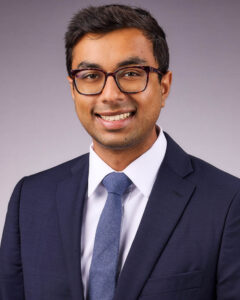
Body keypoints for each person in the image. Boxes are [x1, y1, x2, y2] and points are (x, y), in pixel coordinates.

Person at [0, 4, 240, 300]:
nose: (111, 95)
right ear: (73, 89)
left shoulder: (228, 203)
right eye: (90, 76)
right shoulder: (31, 199)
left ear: (164, 86)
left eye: (130, 73)